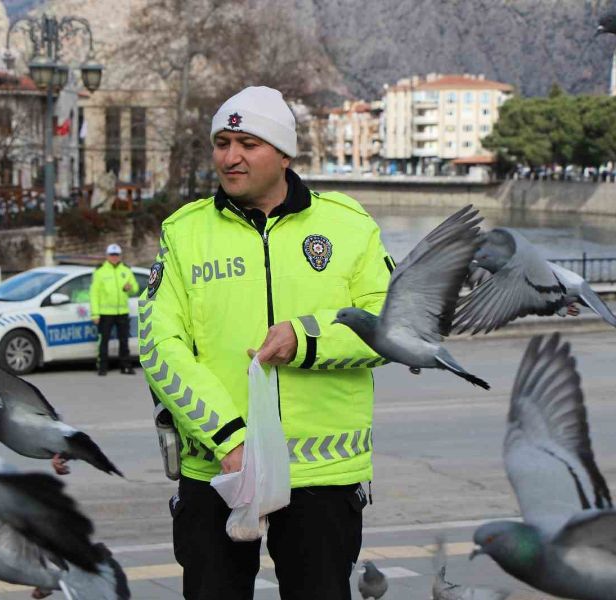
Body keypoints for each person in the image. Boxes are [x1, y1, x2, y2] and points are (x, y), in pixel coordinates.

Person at [138, 86, 395, 600]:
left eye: (248, 144)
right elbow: (159, 346)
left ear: (284, 154)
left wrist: (306, 339)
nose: (230, 157)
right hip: (219, 470)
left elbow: (392, 327)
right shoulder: (184, 233)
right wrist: (228, 439)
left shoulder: (349, 226)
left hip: (322, 474)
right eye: (222, 143)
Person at [90, 243, 139, 376]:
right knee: (103, 341)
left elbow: (135, 288)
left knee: (124, 340)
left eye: (116, 255)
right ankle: (102, 367)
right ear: (107, 256)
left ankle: (125, 366)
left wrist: (130, 288)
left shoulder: (126, 270)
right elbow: (94, 294)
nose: (114, 257)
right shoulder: (100, 271)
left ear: (120, 256)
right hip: (105, 313)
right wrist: (95, 313)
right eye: (112, 255)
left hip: (122, 311)